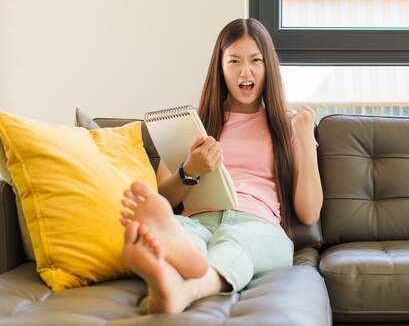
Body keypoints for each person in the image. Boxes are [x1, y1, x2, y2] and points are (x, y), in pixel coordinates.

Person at [119, 18, 323, 314]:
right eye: (234, 61)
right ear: (220, 68)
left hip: (259, 226)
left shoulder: (287, 125)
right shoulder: (194, 123)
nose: (245, 72)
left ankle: (185, 288)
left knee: (236, 240)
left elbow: (309, 211)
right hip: (199, 219)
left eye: (256, 60)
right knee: (181, 229)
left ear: (269, 67)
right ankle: (172, 265)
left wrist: (305, 140)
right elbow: (163, 198)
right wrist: (191, 169)